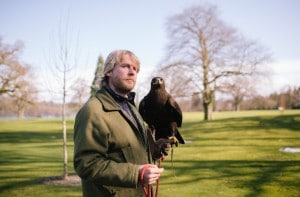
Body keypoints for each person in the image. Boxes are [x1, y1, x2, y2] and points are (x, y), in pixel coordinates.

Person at [73, 50, 172, 197]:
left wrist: (155, 150)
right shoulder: (94, 111)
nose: (132, 72)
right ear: (109, 71)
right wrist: (136, 173)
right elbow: (86, 164)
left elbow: (129, 149)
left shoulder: (131, 108)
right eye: (126, 66)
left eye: (135, 69)